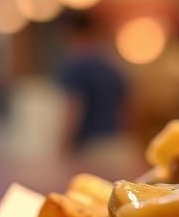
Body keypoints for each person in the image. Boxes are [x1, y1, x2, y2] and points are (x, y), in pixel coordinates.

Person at [54, 11, 128, 149]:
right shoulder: (113, 66)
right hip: (118, 142)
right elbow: (126, 110)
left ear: (71, 33)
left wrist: (63, 146)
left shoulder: (75, 66)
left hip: (90, 147)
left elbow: (73, 108)